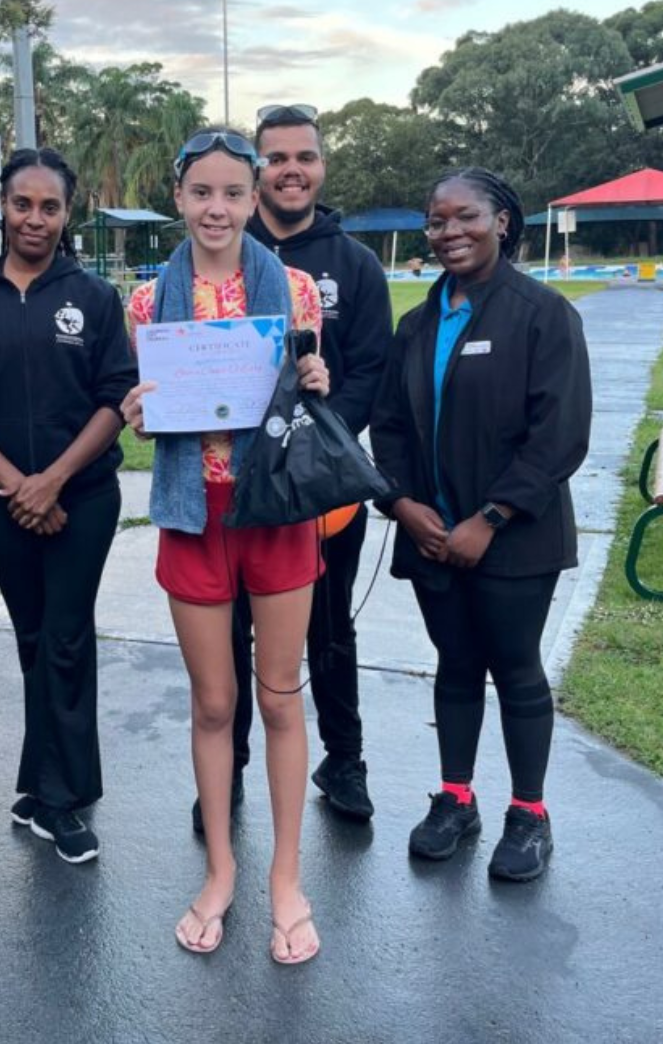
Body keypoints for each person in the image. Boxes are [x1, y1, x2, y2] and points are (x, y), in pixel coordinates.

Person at [122, 127, 329, 963]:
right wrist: (139, 414)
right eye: (202, 192)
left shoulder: (298, 290)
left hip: (275, 508)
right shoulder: (144, 302)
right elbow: (153, 409)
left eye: (233, 193)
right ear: (179, 197)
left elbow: (310, 395)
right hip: (192, 512)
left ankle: (286, 878)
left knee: (278, 698)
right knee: (214, 705)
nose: (218, 208)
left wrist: (315, 380)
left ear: (255, 200)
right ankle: (220, 870)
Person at [370, 167, 592, 882]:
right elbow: (390, 426)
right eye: (436, 222)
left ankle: (529, 813)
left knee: (516, 670)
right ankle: (456, 799)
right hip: (429, 532)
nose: (448, 233)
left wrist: (489, 518)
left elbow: (560, 436)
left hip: (514, 538)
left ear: (502, 222)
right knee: (457, 666)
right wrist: (403, 505)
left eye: (464, 217)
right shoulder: (418, 323)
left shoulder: (541, 314)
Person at [0, 148, 136, 865]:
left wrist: (53, 483)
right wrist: (18, 486)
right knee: (34, 638)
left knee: (66, 638)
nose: (34, 219)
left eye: (49, 206)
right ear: (2, 208)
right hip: (3, 503)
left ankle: (62, 800)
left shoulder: (95, 297)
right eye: (22, 204)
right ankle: (47, 776)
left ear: (66, 213)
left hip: (86, 500)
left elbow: (115, 398)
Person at [205, 103, 392, 832]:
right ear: (256, 173)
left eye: (303, 156)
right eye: (276, 157)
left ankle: (344, 761)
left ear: (321, 166)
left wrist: (310, 443)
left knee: (329, 628)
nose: (291, 169)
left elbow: (371, 368)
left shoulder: (355, 265)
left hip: (322, 483)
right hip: (235, 486)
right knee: (233, 631)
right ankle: (233, 770)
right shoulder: (224, 253)